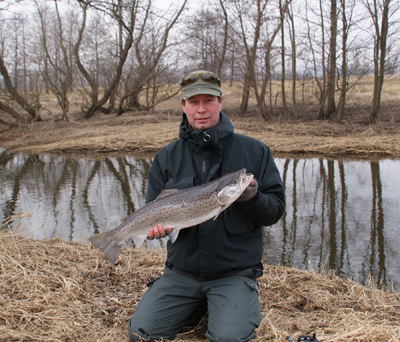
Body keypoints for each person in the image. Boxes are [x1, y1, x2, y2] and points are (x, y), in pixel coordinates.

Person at [127, 70, 285, 342]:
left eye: (208, 101)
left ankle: (224, 303)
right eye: (193, 102)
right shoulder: (166, 157)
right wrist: (158, 230)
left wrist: (252, 197)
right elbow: (152, 209)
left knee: (229, 340)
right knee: (141, 334)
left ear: (220, 102)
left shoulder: (255, 151)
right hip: (181, 273)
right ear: (183, 106)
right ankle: (195, 303)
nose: (201, 109)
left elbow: (274, 211)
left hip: (232, 274)